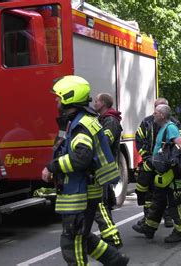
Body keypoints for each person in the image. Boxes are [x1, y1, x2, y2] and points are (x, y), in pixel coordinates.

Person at [41, 75, 128, 265]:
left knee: (72, 242)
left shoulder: (81, 125)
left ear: (68, 97)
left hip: (81, 194)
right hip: (82, 191)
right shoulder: (78, 120)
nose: (56, 100)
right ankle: (116, 260)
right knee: (84, 236)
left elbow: (81, 157)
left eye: (59, 96)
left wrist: (52, 166)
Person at [132, 104, 181, 243]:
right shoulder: (164, 128)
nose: (154, 115)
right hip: (162, 173)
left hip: (170, 174)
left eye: (156, 113)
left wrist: (171, 158)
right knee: (158, 202)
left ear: (162, 115)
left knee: (175, 203)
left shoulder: (170, 128)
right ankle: (149, 228)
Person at [92, 93, 124, 249]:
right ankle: (110, 235)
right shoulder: (103, 119)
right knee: (102, 203)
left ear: (103, 104)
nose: (94, 102)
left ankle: (112, 238)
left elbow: (104, 142)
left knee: (101, 204)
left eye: (97, 101)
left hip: (104, 167)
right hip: (101, 167)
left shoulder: (110, 121)